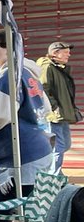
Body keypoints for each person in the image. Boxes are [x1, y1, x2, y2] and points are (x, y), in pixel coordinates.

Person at [0, 31, 54, 201]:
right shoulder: (27, 73)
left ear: (11, 48)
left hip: (20, 156)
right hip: (34, 151)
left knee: (3, 216)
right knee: (30, 213)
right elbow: (46, 107)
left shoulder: (9, 76)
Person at [38, 41, 79, 173]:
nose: (69, 55)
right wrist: (54, 108)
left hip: (62, 114)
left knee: (65, 145)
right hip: (54, 115)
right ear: (55, 53)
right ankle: (54, 178)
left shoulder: (59, 68)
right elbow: (43, 89)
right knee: (59, 147)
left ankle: (52, 172)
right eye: (66, 52)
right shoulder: (47, 67)